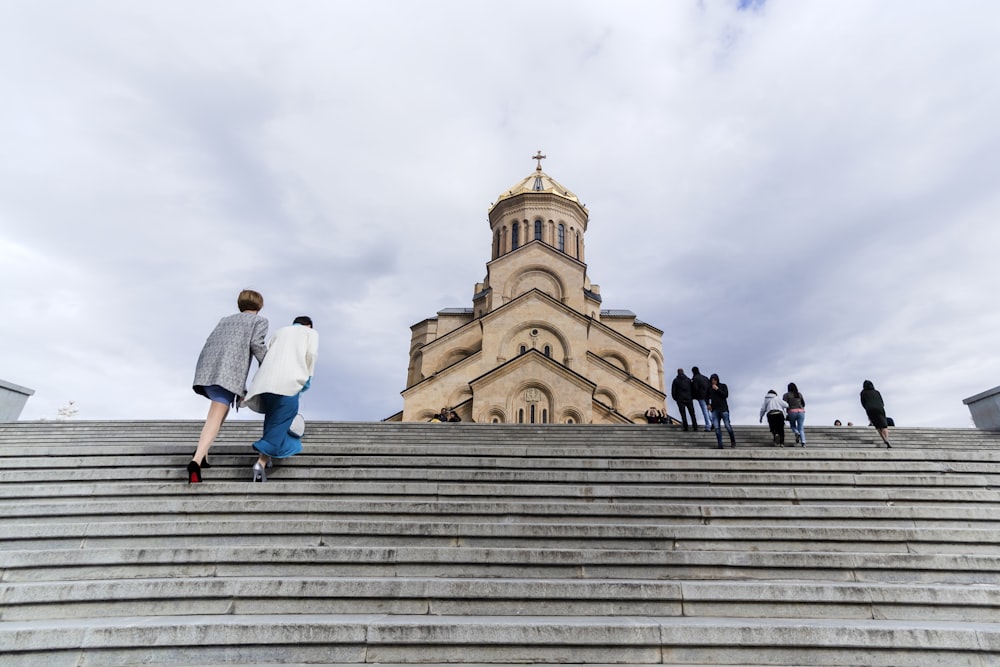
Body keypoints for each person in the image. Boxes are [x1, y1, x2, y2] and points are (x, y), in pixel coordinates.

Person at [188, 289, 268, 483]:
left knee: (218, 415)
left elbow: (211, 341)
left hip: (208, 369)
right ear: (259, 306)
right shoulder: (259, 321)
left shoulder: (225, 320)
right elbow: (257, 345)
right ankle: (196, 461)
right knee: (215, 417)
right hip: (228, 374)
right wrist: (269, 366)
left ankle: (204, 454)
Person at [243, 316, 320, 481]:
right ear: (308, 325)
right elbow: (311, 355)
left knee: (272, 417)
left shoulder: (279, 331)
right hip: (290, 381)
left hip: (266, 381)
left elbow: (264, 354)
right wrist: (307, 380)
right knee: (284, 417)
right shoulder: (310, 333)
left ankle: (268, 457)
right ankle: (261, 461)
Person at [706, 373, 736, 449]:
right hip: (715, 410)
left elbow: (725, 395)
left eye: (714, 380)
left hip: (723, 409)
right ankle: (720, 444)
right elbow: (706, 396)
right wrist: (708, 404)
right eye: (712, 380)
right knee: (716, 428)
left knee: (727, 426)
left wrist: (717, 389)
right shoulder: (709, 388)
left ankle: (733, 440)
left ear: (717, 380)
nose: (713, 381)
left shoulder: (723, 386)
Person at [860, 380, 891, 448]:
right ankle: (887, 439)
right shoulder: (877, 392)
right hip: (879, 408)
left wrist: (867, 409)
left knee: (877, 426)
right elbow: (882, 401)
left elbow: (863, 403)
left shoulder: (863, 393)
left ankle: (884, 439)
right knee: (884, 426)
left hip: (870, 409)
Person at [691, 367, 712, 432]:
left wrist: (695, 396)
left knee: (705, 411)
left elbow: (695, 388)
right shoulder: (705, 378)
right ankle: (713, 423)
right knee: (708, 410)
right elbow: (709, 387)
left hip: (701, 397)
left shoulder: (695, 378)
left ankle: (708, 426)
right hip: (707, 396)